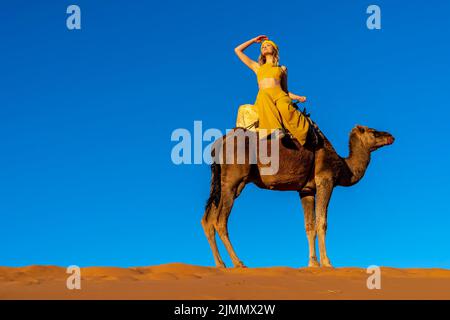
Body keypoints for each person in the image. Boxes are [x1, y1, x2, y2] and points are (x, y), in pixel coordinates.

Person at [234, 35, 310, 146]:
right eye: (262, 46)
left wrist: (298, 97)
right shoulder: (257, 67)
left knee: (284, 108)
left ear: (274, 50)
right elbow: (237, 50)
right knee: (261, 96)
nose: (264, 47)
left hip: (280, 96)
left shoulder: (282, 69)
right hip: (264, 99)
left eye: (268, 45)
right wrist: (253, 40)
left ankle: (304, 135)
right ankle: (275, 130)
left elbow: (285, 90)